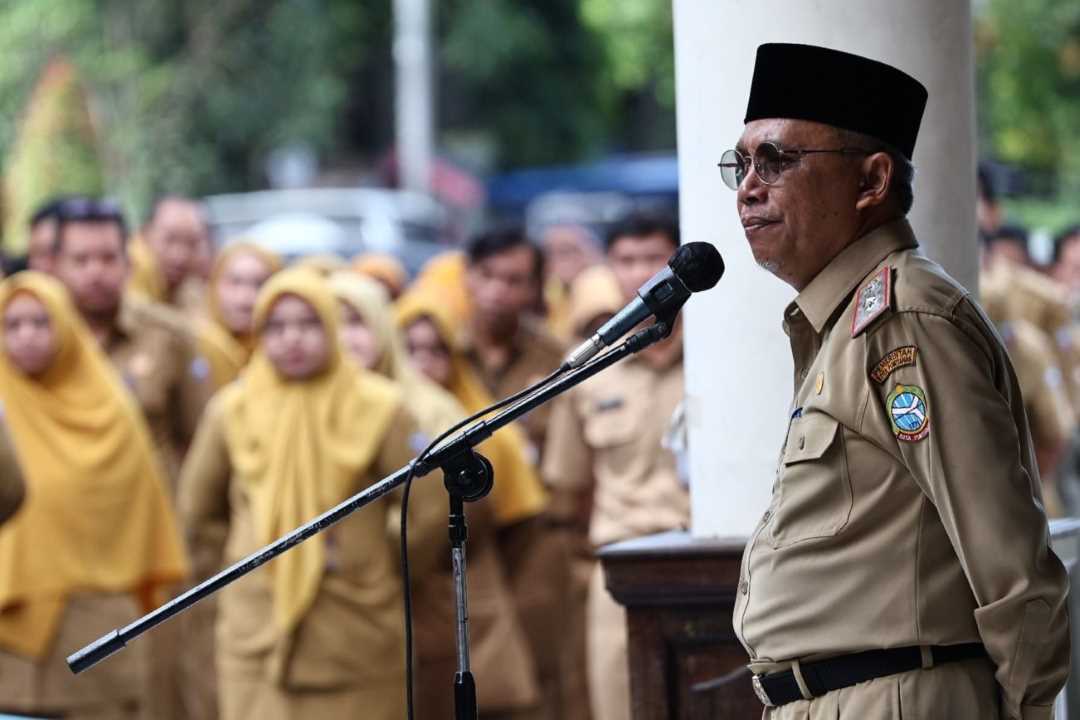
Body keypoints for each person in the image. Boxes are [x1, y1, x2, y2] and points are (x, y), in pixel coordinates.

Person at [723, 43, 1068, 717]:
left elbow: (1013, 569)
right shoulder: (845, 322)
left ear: (870, 181)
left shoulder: (905, 320)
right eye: (741, 164)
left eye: (778, 160)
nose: (748, 187)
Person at [179, 268, 444, 720]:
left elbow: (428, 509)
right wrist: (242, 567)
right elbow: (198, 512)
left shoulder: (380, 405)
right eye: (277, 327)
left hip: (354, 626)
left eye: (309, 324)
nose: (292, 339)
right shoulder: (232, 409)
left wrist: (380, 568)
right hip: (255, 628)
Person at [335, 275, 543, 718]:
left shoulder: (426, 409)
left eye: (356, 322)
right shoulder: (325, 407)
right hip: (353, 616)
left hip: (430, 601)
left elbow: (474, 510)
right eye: (331, 323)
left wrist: (375, 559)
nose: (344, 338)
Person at [0, 272, 188, 718]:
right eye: (12, 325)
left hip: (95, 623)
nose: (26, 337)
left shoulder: (112, 411)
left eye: (40, 323)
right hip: (9, 626)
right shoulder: (3, 406)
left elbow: (141, 508)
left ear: (66, 326)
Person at [542, 213, 686, 720]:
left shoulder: (717, 354)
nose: (642, 272)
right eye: (627, 260)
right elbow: (570, 486)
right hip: (619, 564)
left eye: (655, 258)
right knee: (621, 707)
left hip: (710, 562)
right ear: (610, 268)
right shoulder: (591, 366)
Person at [462, 228, 587, 719]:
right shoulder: (439, 352)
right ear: (468, 277)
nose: (498, 291)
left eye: (514, 279)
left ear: (536, 288)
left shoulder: (557, 360)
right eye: (488, 275)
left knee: (545, 672)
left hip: (537, 540)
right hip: (465, 540)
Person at [48, 196, 213, 484]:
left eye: (108, 258)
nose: (95, 271)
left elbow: (199, 444)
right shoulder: (34, 339)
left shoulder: (170, 336)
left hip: (150, 518)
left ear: (129, 260)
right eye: (81, 259)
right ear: (55, 265)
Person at [201, 240, 283, 387]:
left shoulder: (288, 355)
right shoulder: (196, 348)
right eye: (235, 282)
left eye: (259, 284)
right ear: (214, 285)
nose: (245, 298)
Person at [132, 195, 212, 314]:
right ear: (145, 233)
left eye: (191, 243)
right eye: (170, 240)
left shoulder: (189, 288)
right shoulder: (133, 264)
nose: (180, 256)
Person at [539, 223, 601, 342]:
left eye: (566, 251)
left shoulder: (597, 279)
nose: (559, 261)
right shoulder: (551, 288)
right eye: (550, 253)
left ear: (591, 252)